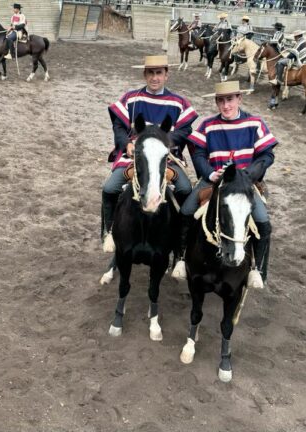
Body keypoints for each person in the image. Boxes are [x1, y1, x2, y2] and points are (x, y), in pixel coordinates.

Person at [177, 80, 277, 286]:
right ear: (216, 102)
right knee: (185, 212)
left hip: (243, 184)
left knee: (263, 223)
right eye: (221, 101)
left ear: (239, 99)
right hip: (213, 181)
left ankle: (257, 270)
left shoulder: (255, 123)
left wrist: (248, 174)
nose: (226, 106)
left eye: (230, 100)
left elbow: (267, 155)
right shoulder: (208, 125)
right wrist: (210, 173)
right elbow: (199, 154)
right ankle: (180, 258)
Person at [101, 55, 198, 251]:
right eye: (151, 73)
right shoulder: (131, 98)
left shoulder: (178, 102)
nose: (155, 78)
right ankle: (109, 231)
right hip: (135, 156)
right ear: (145, 75)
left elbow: (186, 130)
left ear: (166, 75)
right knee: (110, 188)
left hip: (165, 157)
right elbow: (119, 126)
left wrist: (165, 142)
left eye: (159, 73)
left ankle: (179, 241)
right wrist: (126, 143)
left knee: (185, 190)